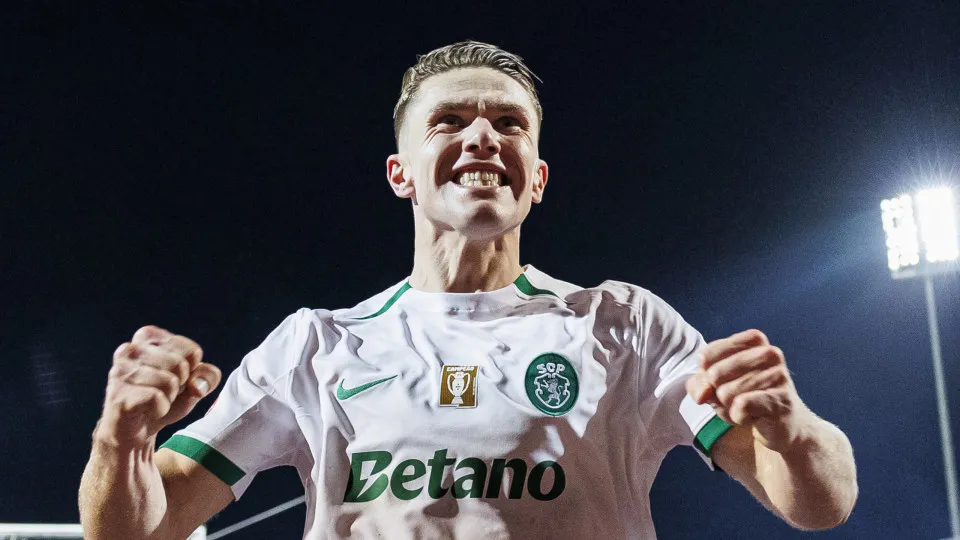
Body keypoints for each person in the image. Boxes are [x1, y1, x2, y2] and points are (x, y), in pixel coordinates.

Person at [78, 41, 858, 539]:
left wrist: (794, 432)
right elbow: (139, 529)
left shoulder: (622, 324)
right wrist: (122, 442)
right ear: (402, 174)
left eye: (509, 124)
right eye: (449, 121)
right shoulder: (315, 344)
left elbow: (820, 503)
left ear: (537, 179)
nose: (483, 136)